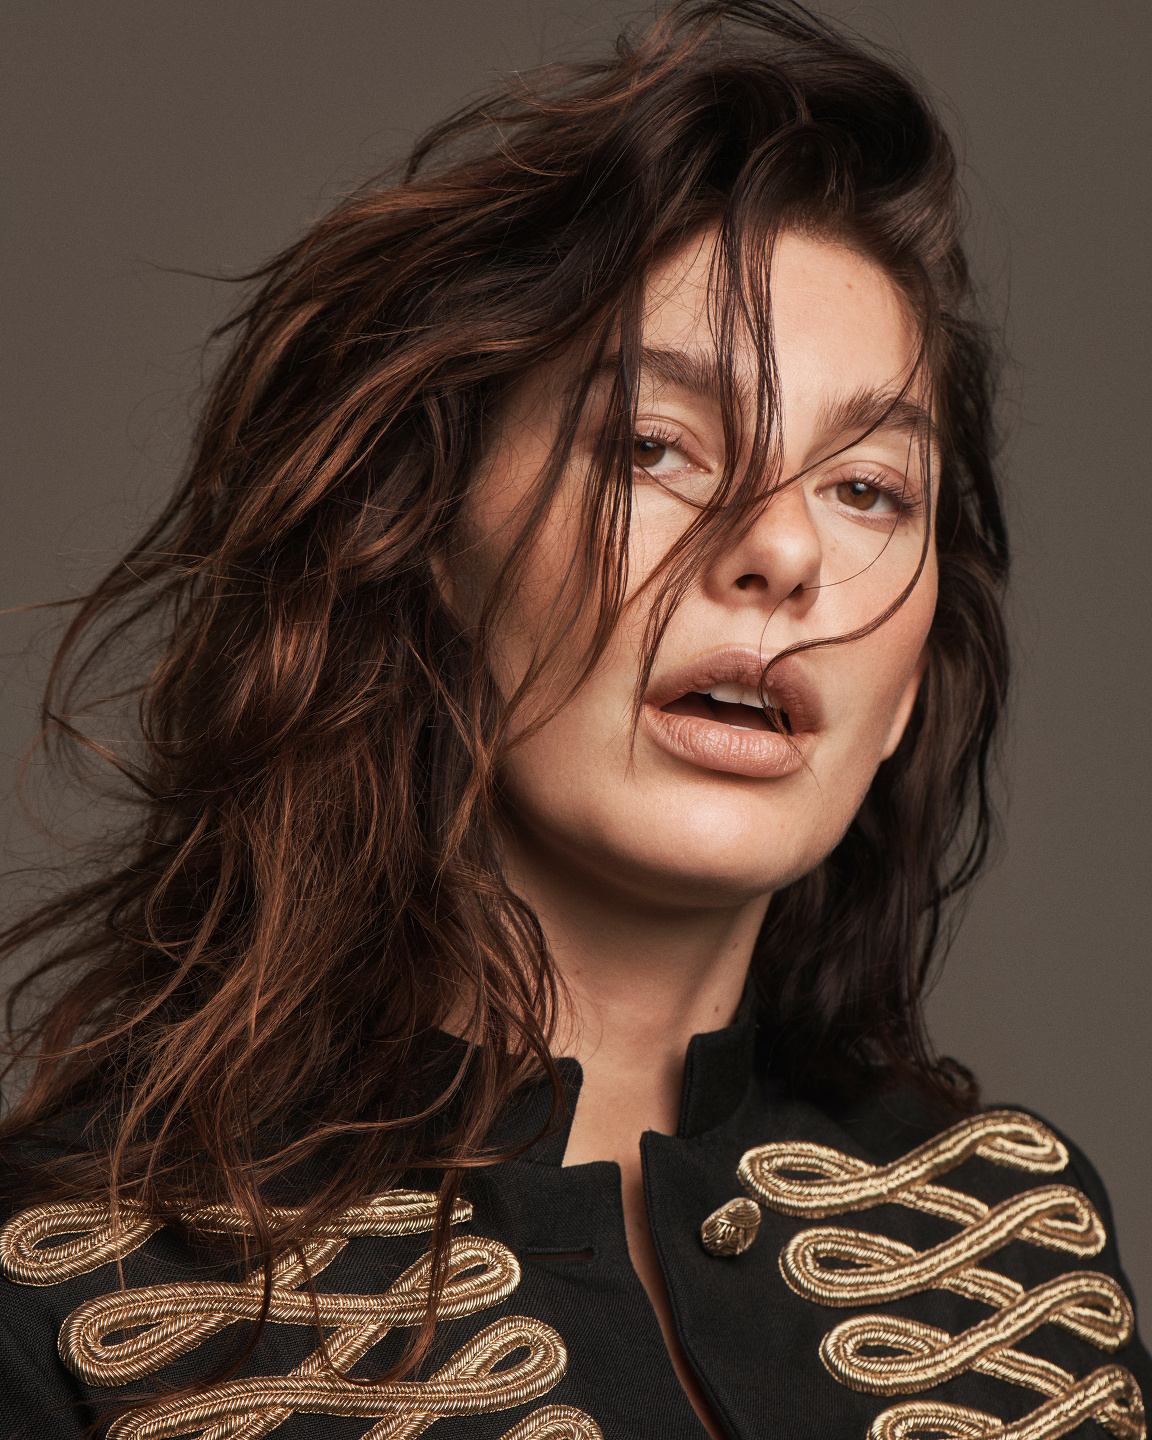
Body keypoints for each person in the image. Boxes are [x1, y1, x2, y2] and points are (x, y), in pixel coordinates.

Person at [0, 3, 1147, 1437]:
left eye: (867, 490)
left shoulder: (1018, 1256)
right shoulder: (74, 1292)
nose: (782, 551)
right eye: (657, 446)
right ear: (430, 536)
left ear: (911, 675)